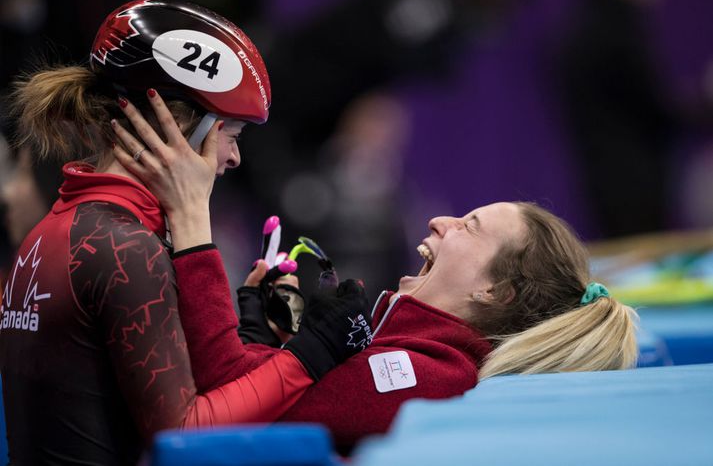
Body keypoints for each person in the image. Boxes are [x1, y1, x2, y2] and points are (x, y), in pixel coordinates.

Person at [115, 101, 639, 451]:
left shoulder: (424, 377)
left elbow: (224, 400)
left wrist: (191, 221)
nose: (441, 221)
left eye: (469, 226)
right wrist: (273, 343)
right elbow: (256, 393)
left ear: (494, 291)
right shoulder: (418, 358)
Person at [0, 0, 373, 465]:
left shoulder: (61, 227)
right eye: (231, 135)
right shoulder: (125, 248)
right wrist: (312, 354)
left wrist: (257, 342)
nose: (234, 159)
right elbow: (184, 435)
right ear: (178, 129)